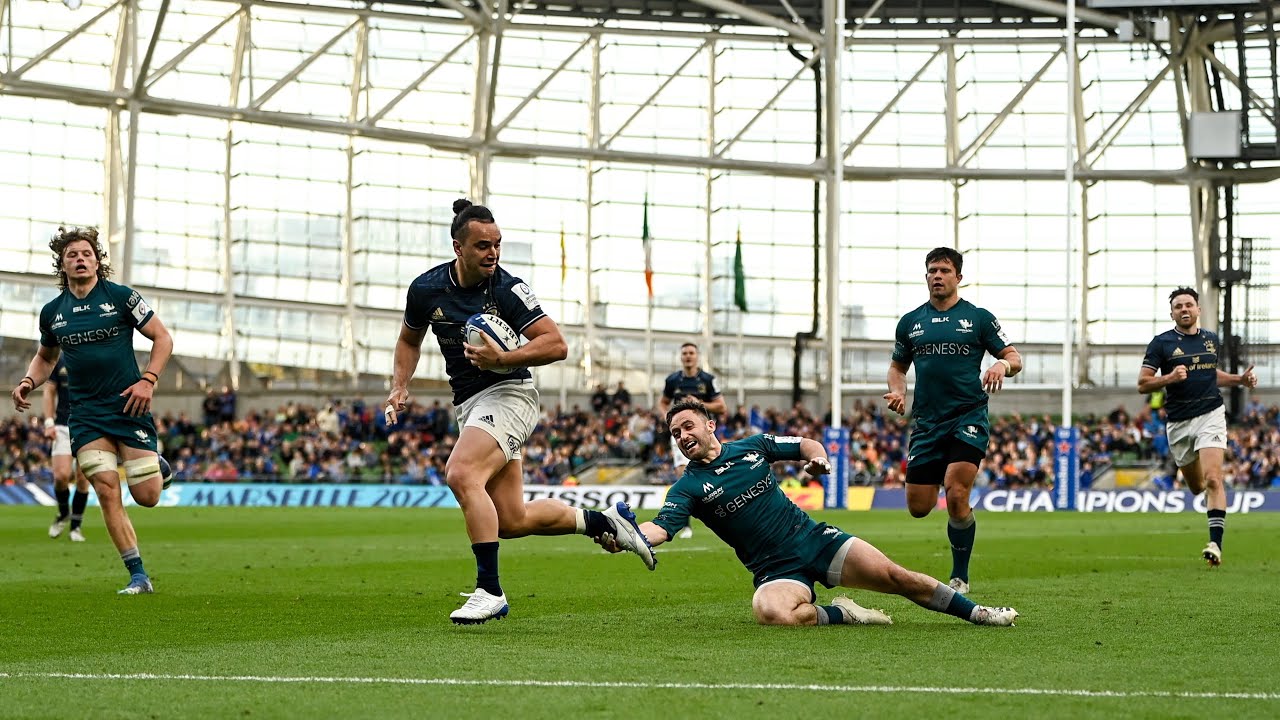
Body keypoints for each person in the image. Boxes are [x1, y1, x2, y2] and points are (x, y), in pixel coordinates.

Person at [385, 199, 656, 625]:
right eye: (482, 246)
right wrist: (400, 386)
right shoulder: (426, 289)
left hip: (510, 393)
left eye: (496, 245)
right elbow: (408, 340)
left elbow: (557, 344)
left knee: (461, 474)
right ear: (458, 247)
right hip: (470, 404)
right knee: (510, 519)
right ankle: (603, 523)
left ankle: (489, 591)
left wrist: (503, 360)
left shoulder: (508, 289)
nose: (492, 253)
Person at [598, 398, 1019, 628]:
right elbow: (660, 529)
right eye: (675, 434)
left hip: (815, 540)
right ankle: (844, 614)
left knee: (898, 578)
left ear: (710, 424)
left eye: (688, 426)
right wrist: (629, 537)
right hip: (774, 569)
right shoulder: (686, 486)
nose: (683, 437)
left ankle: (978, 612)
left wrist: (819, 461)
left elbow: (805, 445)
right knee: (771, 612)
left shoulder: (754, 445)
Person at [10, 226, 173, 594]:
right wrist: (27, 381)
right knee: (106, 489)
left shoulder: (121, 297)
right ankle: (138, 575)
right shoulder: (53, 313)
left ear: (97, 260)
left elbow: (163, 338)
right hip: (84, 415)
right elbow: (45, 357)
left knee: (147, 496)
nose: (80, 259)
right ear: (62, 265)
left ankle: (158, 467)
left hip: (128, 406)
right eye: (72, 255)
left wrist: (148, 380)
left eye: (86, 253)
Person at [883, 247, 1023, 595]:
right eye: (932, 270)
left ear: (958, 277)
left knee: (957, 492)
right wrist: (897, 391)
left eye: (944, 270)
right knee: (919, 507)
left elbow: (1014, 357)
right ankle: (952, 531)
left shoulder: (978, 318)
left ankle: (959, 577)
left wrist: (999, 365)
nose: (937, 276)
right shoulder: (911, 322)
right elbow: (897, 367)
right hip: (927, 424)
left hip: (968, 416)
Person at [1138, 286, 1257, 567]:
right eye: (1178, 306)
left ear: (1198, 309)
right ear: (1172, 313)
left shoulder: (1210, 340)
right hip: (1179, 423)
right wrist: (1168, 378)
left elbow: (1210, 375)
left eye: (1188, 305)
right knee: (1196, 487)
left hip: (1211, 413)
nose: (1184, 309)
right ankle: (1204, 492)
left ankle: (1215, 544)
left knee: (1215, 478)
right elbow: (1143, 383)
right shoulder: (1161, 343)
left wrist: (1239, 380)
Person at [43, 357, 92, 542]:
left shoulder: (94, 358)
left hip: (88, 425)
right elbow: (49, 390)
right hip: (62, 426)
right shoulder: (59, 361)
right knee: (61, 476)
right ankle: (64, 513)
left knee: (83, 478)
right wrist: (48, 422)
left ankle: (76, 527)